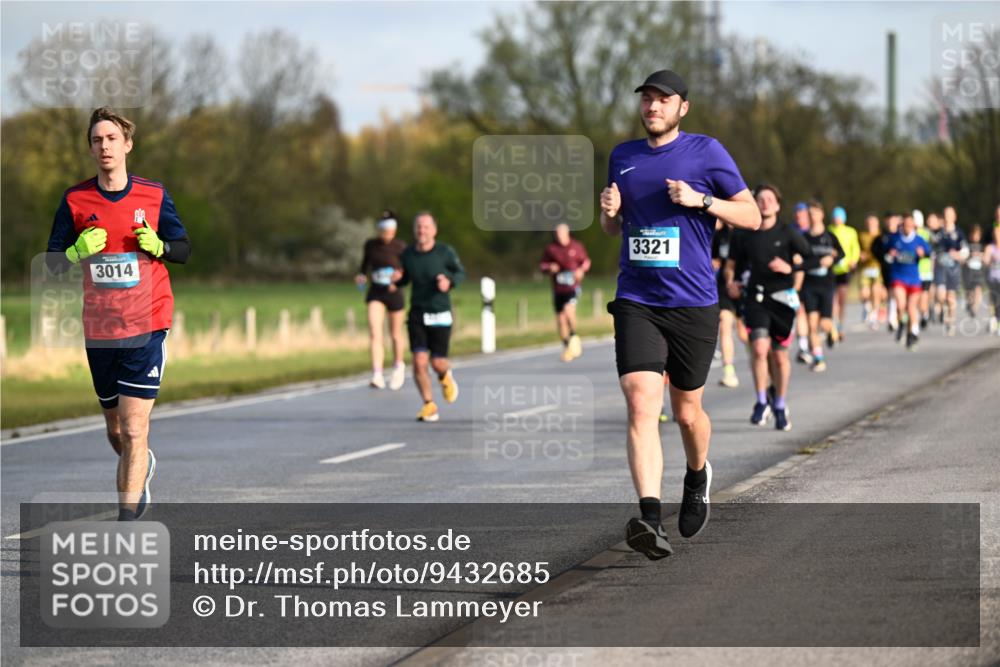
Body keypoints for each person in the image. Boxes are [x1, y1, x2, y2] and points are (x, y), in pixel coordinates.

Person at [600, 69, 761, 559]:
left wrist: (702, 200)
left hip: (692, 302)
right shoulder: (622, 156)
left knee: (687, 412)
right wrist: (608, 211)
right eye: (647, 99)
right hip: (637, 299)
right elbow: (612, 229)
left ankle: (696, 476)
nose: (653, 107)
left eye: (663, 100)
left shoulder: (706, 152)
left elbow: (752, 215)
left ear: (682, 108)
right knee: (641, 403)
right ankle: (650, 519)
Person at [45, 107, 191, 521]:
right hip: (100, 328)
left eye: (112, 139)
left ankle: (126, 523)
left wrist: (160, 246)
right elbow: (52, 264)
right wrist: (75, 252)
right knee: (116, 430)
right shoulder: (75, 200)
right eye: (97, 140)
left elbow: (183, 248)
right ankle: (142, 462)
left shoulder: (154, 195)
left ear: (127, 145)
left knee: (133, 428)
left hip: (148, 323)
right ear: (90, 149)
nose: (104, 146)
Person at [725, 184, 809, 431]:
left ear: (778, 205)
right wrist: (731, 283)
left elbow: (811, 257)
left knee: (780, 356)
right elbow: (731, 265)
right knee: (760, 349)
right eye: (760, 199)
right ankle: (761, 401)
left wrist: (791, 268)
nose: (765, 203)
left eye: (770, 199)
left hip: (783, 298)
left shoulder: (788, 232)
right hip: (756, 298)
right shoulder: (743, 234)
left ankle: (780, 404)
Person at [395, 212, 465, 422]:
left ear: (434, 230)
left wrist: (449, 282)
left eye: (426, 227)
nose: (421, 231)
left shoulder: (444, 252)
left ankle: (445, 376)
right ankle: (429, 405)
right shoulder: (408, 254)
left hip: (440, 312)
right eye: (418, 226)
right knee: (418, 361)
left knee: (437, 362)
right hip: (418, 312)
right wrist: (397, 280)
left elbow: (460, 273)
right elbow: (405, 279)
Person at [356, 210, 407, 390]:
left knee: (395, 333)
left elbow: (407, 270)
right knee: (374, 332)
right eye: (385, 231)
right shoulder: (370, 245)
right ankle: (377, 373)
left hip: (394, 293)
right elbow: (364, 266)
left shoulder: (400, 247)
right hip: (376, 292)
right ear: (379, 230)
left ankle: (398, 366)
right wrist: (361, 276)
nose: (387, 235)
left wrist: (399, 279)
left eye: (391, 232)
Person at [800, 201, 844, 372]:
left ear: (822, 214)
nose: (813, 216)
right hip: (809, 284)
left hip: (826, 284)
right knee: (812, 324)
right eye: (810, 213)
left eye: (816, 213)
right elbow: (798, 258)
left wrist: (832, 258)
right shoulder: (804, 238)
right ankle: (819, 359)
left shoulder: (830, 236)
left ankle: (832, 329)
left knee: (824, 324)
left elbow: (841, 253)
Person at [540, 223, 591, 362]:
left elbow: (586, 262)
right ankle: (567, 345)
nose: (559, 236)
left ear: (567, 233)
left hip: (572, 287)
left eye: (561, 233)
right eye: (557, 234)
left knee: (569, 310)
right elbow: (542, 265)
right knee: (561, 320)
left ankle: (574, 335)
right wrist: (550, 268)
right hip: (558, 288)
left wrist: (581, 271)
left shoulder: (576, 246)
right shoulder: (551, 249)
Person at [887, 212, 931, 350]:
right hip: (899, 277)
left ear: (914, 226)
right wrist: (890, 253)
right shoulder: (895, 239)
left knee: (911, 307)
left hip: (914, 279)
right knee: (901, 305)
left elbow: (928, 252)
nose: (907, 228)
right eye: (905, 225)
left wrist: (922, 253)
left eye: (910, 225)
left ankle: (913, 333)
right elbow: (886, 251)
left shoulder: (918, 240)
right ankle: (901, 323)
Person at [712, 218, 743, 388]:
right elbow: (713, 257)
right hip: (725, 287)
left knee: (745, 334)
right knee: (724, 324)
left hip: (746, 286)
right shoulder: (719, 235)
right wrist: (713, 263)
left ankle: (763, 365)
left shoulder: (749, 231)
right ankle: (729, 372)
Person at [933, 206, 968, 336]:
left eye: (950, 214)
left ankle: (951, 321)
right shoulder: (938, 234)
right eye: (945, 214)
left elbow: (965, 251)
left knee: (951, 296)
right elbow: (932, 250)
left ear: (954, 216)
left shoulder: (959, 233)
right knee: (941, 295)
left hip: (953, 268)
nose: (947, 217)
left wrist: (957, 255)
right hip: (941, 268)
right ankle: (941, 309)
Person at [829, 206, 859, 342]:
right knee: (832, 301)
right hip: (831, 270)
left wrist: (854, 260)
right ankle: (833, 327)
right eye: (835, 217)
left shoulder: (850, 232)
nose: (837, 219)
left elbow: (855, 248)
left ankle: (840, 326)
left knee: (842, 300)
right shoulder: (829, 231)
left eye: (839, 217)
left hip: (845, 269)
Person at [857, 213, 884, 328]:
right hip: (866, 268)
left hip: (877, 267)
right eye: (869, 223)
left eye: (873, 223)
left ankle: (874, 315)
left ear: (877, 224)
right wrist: (860, 255)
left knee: (876, 291)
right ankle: (867, 306)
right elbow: (857, 249)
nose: (871, 225)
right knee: (864, 293)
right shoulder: (862, 236)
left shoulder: (881, 236)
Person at [915, 210, 935, 329]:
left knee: (923, 294)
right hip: (912, 271)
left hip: (925, 270)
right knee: (916, 295)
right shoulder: (908, 234)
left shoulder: (927, 234)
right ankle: (921, 314)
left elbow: (932, 251)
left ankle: (924, 313)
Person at [963, 224, 986, 318]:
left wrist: (980, 255)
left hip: (978, 271)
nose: (975, 237)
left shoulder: (982, 246)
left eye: (977, 235)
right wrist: (970, 255)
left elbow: (985, 257)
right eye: (973, 235)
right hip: (969, 270)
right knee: (969, 290)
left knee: (978, 290)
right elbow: (963, 257)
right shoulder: (967, 246)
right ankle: (969, 303)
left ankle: (974, 308)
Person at [985, 217, 1000, 335]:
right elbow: (985, 261)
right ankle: (994, 319)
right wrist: (990, 259)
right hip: (993, 278)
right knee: (994, 301)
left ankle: (997, 322)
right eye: (995, 234)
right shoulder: (990, 248)